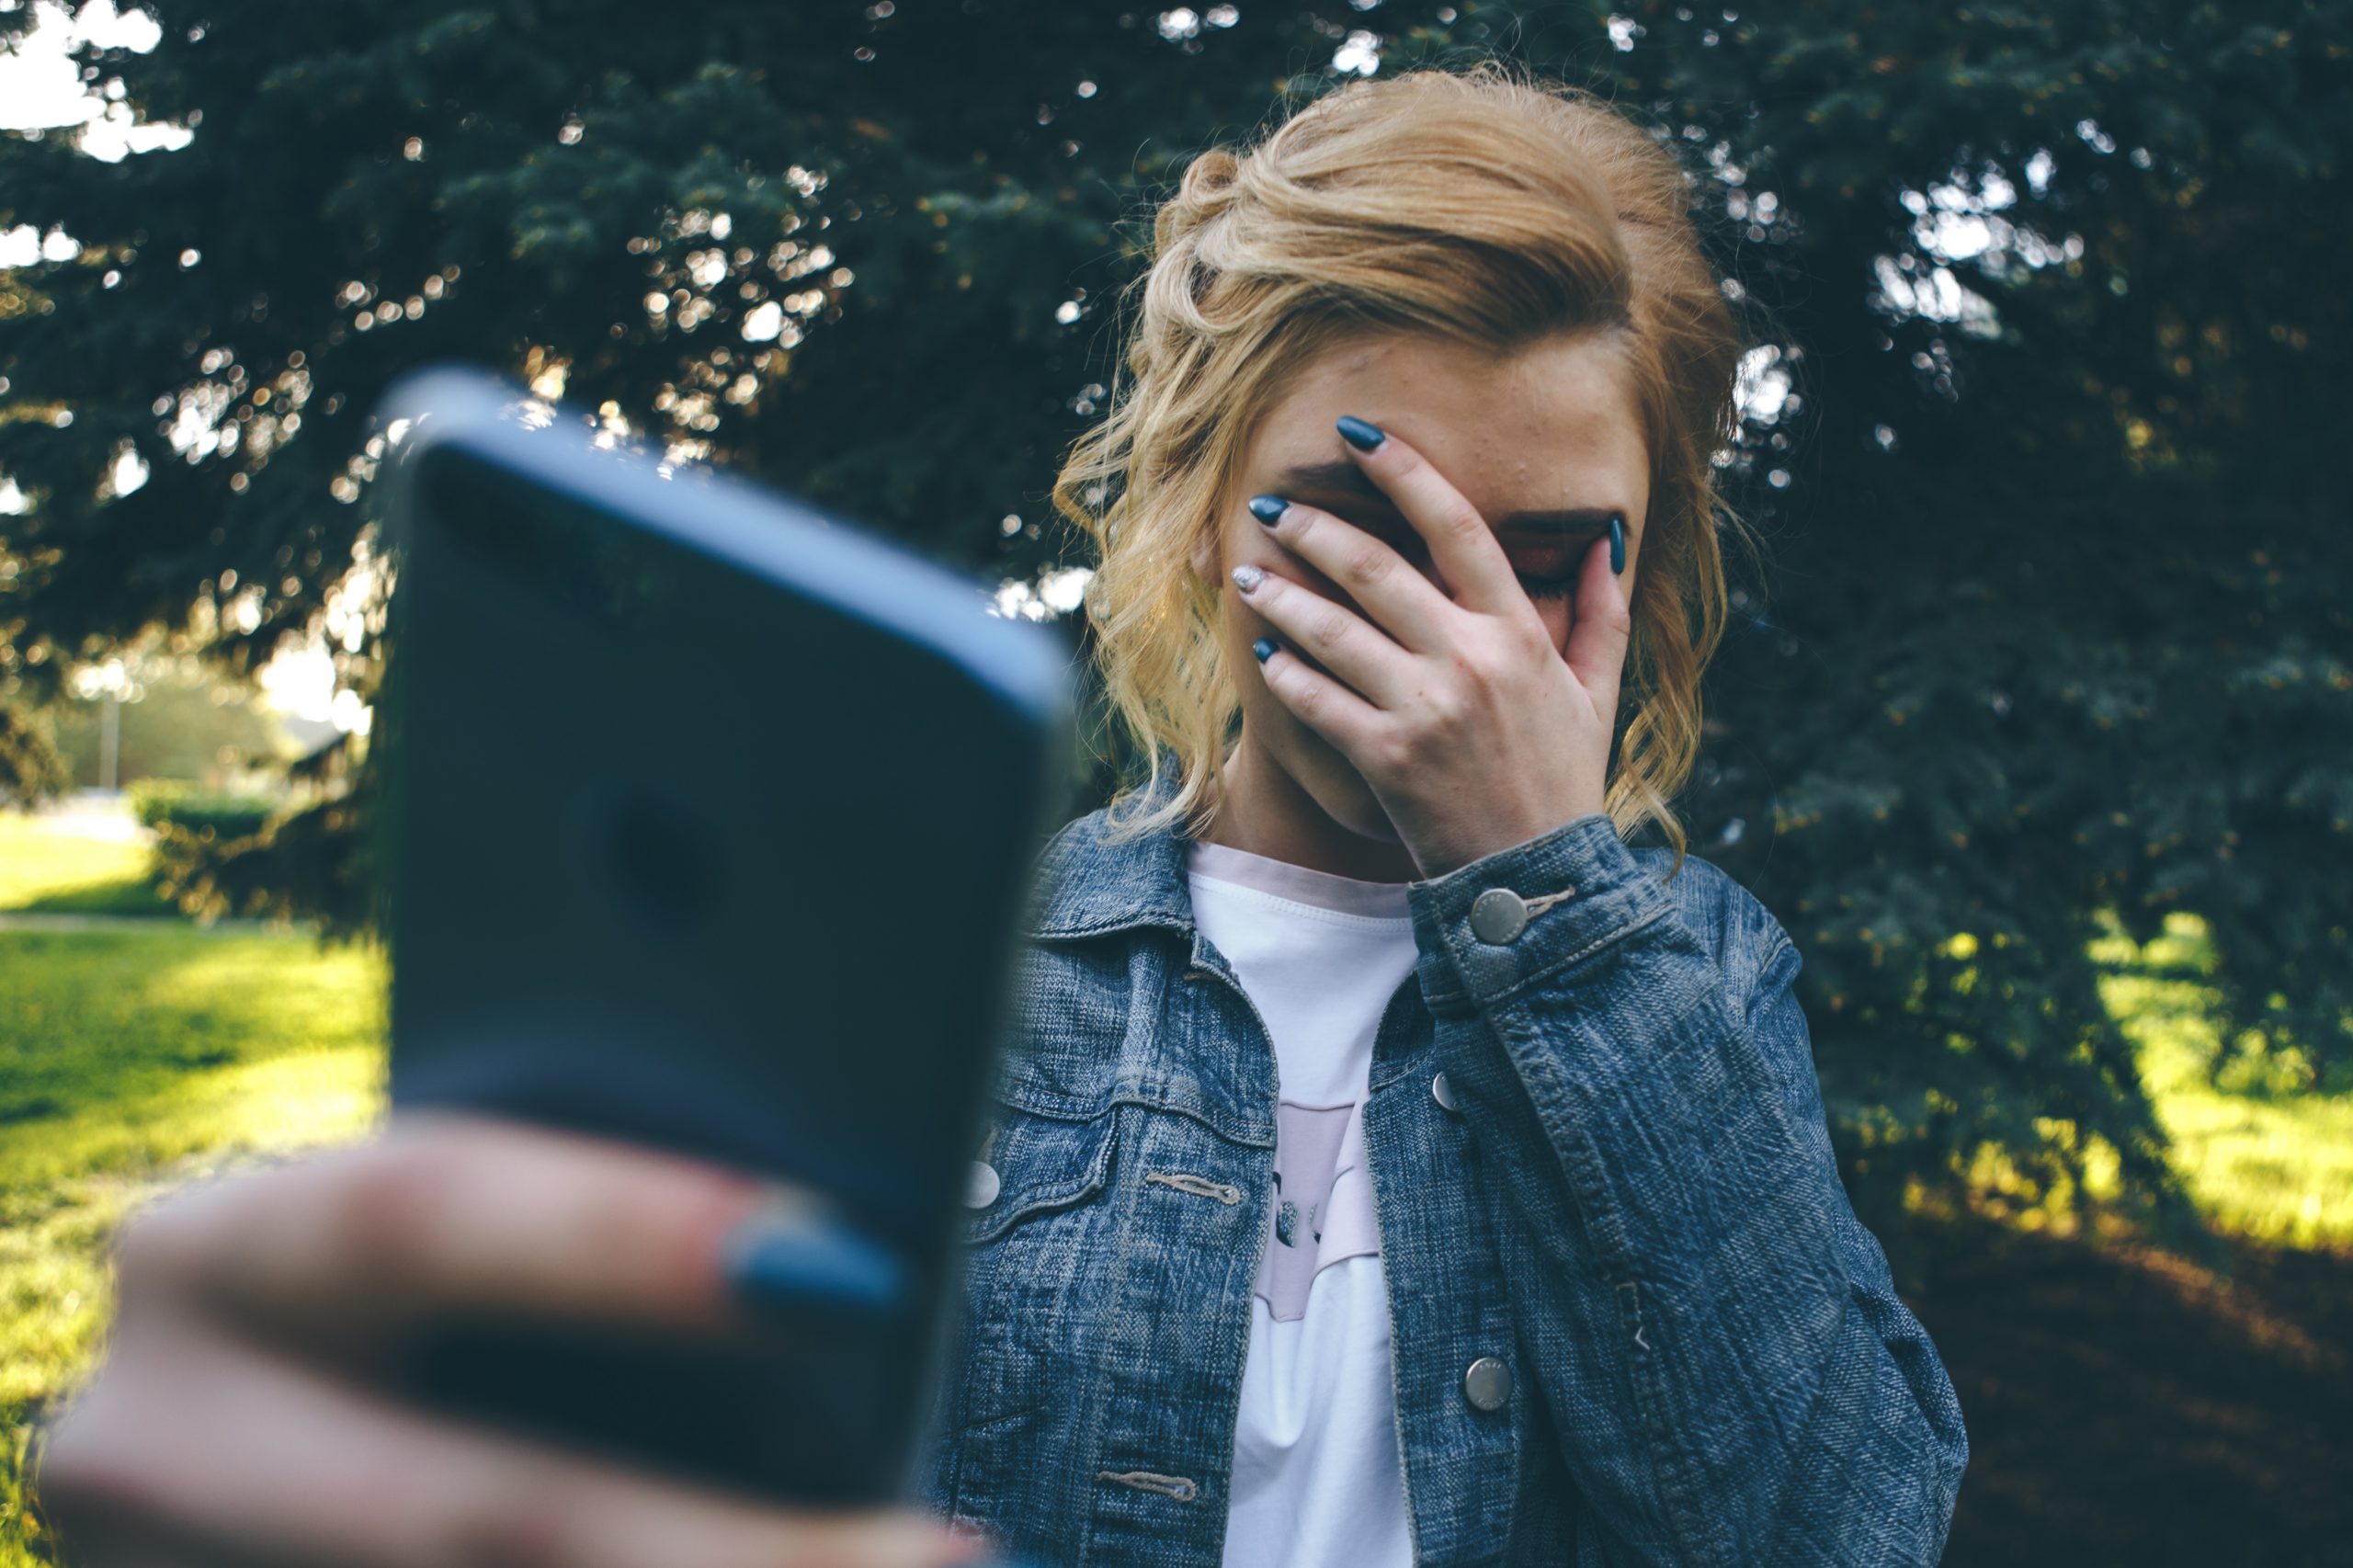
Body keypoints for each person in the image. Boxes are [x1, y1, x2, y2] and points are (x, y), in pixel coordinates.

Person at [33, 59, 1969, 1568]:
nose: (1445, 648)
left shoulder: (1693, 980)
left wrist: (1542, 894)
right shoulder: (949, 966)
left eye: (1538, 559)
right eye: (1361, 532)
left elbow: (1836, 1531)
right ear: (1211, 510)